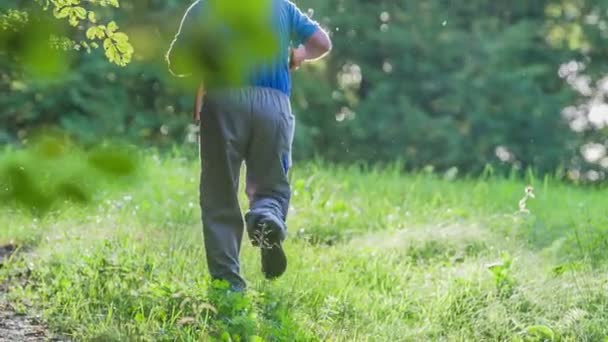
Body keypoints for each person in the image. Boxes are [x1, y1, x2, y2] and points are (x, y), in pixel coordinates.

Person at [166, 0, 332, 291]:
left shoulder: (204, 7)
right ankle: (266, 217)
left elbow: (177, 63)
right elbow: (321, 42)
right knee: (271, 185)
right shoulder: (281, 5)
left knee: (219, 193)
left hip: (223, 102)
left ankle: (229, 285)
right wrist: (299, 54)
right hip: (273, 103)